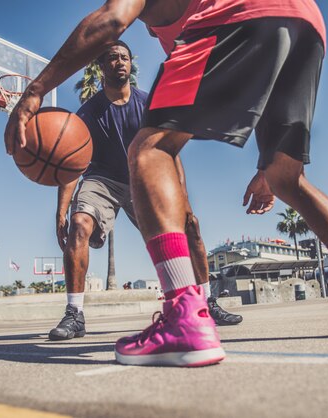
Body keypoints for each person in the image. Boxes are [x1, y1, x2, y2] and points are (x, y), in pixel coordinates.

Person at [5, 0, 328, 367]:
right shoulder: (133, 74)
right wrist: (266, 164)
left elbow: (112, 18)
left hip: (238, 17)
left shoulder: (184, 24)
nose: (146, 28)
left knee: (148, 150)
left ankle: (184, 316)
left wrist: (36, 90)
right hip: (305, 22)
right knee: (286, 178)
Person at [48, 41, 242, 341]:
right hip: (103, 180)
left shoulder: (149, 105)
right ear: (101, 66)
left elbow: (170, 152)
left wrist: (183, 198)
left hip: (145, 176)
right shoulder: (88, 113)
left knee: (190, 226)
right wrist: (62, 211)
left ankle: (206, 303)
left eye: (125, 57)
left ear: (131, 64)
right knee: (79, 224)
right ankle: (75, 314)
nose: (120, 62)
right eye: (112, 57)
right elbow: (72, 163)